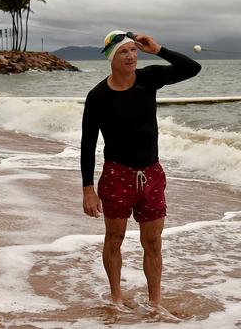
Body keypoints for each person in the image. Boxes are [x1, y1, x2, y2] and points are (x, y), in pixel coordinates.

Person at [80, 30, 201, 307]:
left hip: (152, 175)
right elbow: (88, 144)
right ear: (111, 57)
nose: (131, 56)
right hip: (116, 176)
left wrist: (158, 49)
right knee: (114, 238)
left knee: (153, 243)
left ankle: (155, 302)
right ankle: (116, 297)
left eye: (133, 50)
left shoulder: (149, 79)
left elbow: (192, 68)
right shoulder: (98, 96)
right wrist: (88, 190)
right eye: (124, 51)